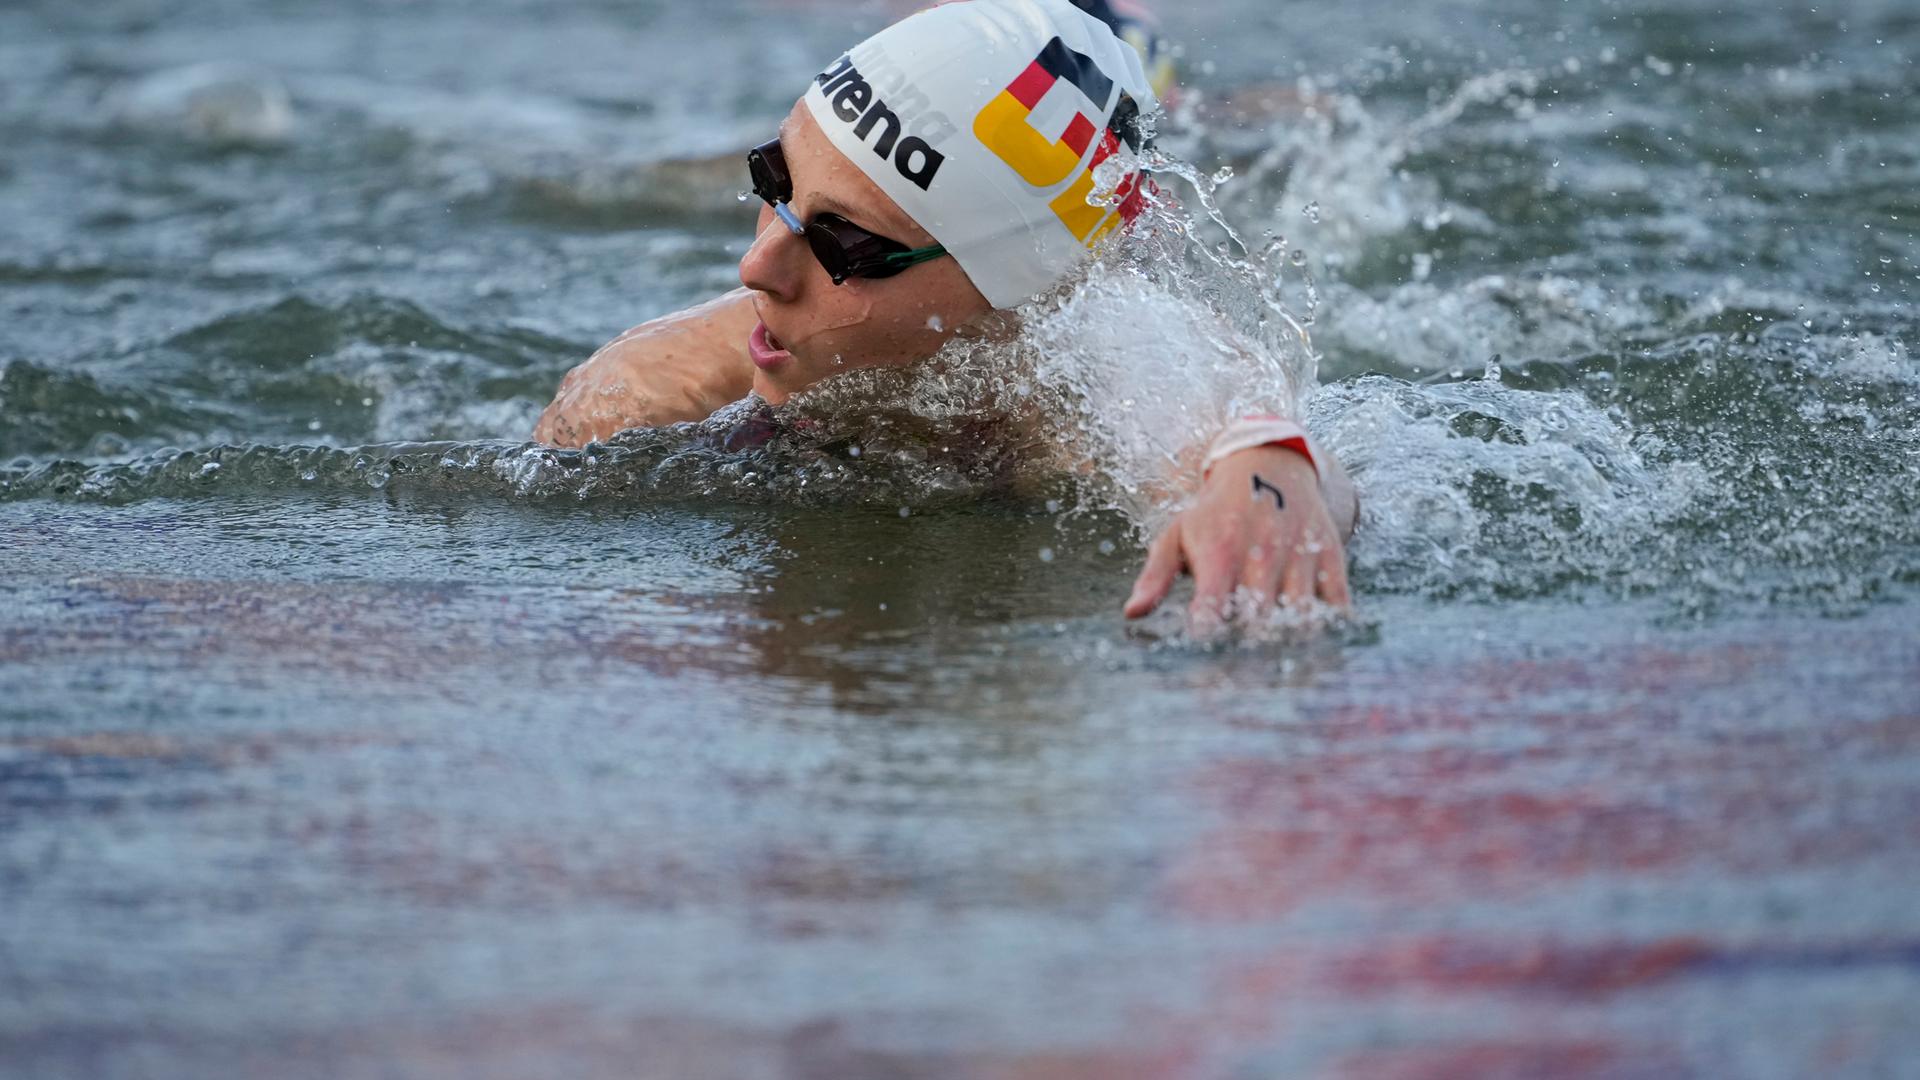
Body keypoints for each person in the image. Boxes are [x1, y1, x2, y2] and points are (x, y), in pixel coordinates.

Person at [534, 0, 1358, 630]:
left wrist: (1274, 471)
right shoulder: (648, 391)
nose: (756, 267)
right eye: (772, 184)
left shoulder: (1078, 383)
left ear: (1017, 299)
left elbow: (1241, 429)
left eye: (845, 245)